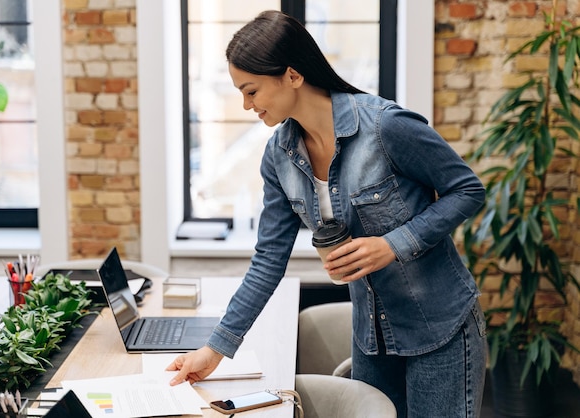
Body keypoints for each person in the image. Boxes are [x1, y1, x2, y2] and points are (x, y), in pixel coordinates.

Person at [167, 10, 487, 417]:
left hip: (440, 330)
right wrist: (215, 350)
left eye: (251, 91)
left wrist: (393, 245)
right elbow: (268, 260)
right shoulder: (278, 157)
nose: (246, 105)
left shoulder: (386, 128)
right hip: (372, 339)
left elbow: (467, 189)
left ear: (292, 76)